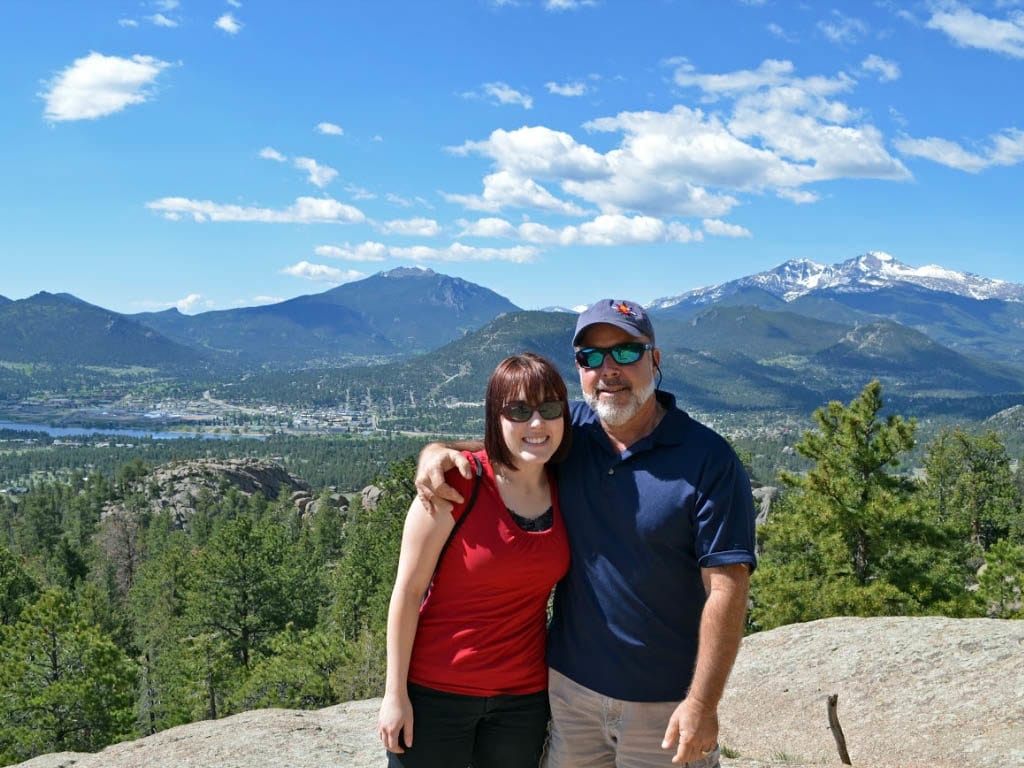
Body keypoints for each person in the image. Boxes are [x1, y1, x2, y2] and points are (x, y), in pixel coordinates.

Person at [415, 299, 757, 768]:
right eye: (591, 357)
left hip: (664, 709)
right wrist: (436, 450)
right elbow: (512, 444)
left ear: (655, 360)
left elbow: (727, 588)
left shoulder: (708, 460)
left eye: (625, 352)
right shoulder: (572, 430)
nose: (608, 369)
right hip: (570, 696)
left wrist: (702, 704)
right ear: (579, 369)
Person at [378, 352, 572, 768]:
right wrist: (394, 694)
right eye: (519, 410)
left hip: (522, 700)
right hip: (435, 692)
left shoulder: (569, 485)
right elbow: (408, 593)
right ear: (495, 417)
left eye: (550, 409)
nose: (536, 423)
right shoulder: (455, 486)